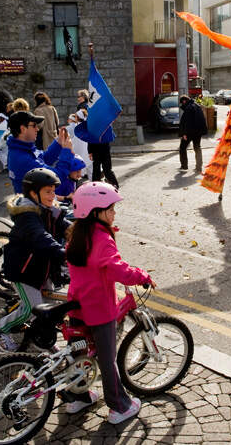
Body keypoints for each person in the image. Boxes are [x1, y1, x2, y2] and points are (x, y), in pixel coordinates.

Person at [64, 181, 155, 423]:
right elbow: (118, 269)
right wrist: (141, 275)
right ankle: (119, 406)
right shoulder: (101, 238)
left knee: (78, 352)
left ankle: (76, 398)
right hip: (99, 309)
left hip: (77, 303)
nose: (114, 212)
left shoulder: (77, 234)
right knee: (107, 360)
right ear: (96, 211)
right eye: (111, 208)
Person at [0, 168, 71, 352]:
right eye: (47, 192)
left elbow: (66, 227)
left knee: (48, 309)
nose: (53, 195)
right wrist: (64, 254)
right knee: (30, 309)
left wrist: (87, 235)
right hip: (24, 271)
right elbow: (40, 237)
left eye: (53, 191)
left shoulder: (50, 210)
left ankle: (43, 341)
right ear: (34, 193)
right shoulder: (27, 215)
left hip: (43, 269)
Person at [6, 110, 74, 194]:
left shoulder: (23, 148)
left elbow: (44, 158)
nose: (37, 129)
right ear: (23, 129)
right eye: (34, 125)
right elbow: (56, 177)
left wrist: (58, 143)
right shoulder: (22, 158)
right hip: (33, 205)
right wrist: (67, 152)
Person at [75, 119, 119, 189]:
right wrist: (90, 152)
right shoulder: (104, 123)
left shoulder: (94, 124)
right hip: (102, 149)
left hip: (99, 150)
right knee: (101, 170)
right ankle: (110, 185)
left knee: (100, 170)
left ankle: (97, 187)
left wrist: (90, 152)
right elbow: (91, 139)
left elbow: (90, 139)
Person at [178, 95, 208, 173]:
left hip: (189, 132)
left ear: (184, 101)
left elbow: (187, 123)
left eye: (182, 103)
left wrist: (184, 133)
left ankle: (184, 166)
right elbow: (202, 119)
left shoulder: (189, 108)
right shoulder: (197, 106)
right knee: (197, 148)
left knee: (182, 148)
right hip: (198, 132)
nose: (182, 105)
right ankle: (199, 167)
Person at [66, 110, 92, 179]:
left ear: (77, 118)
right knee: (90, 172)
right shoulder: (88, 126)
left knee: (76, 172)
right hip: (88, 151)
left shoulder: (75, 127)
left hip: (78, 151)